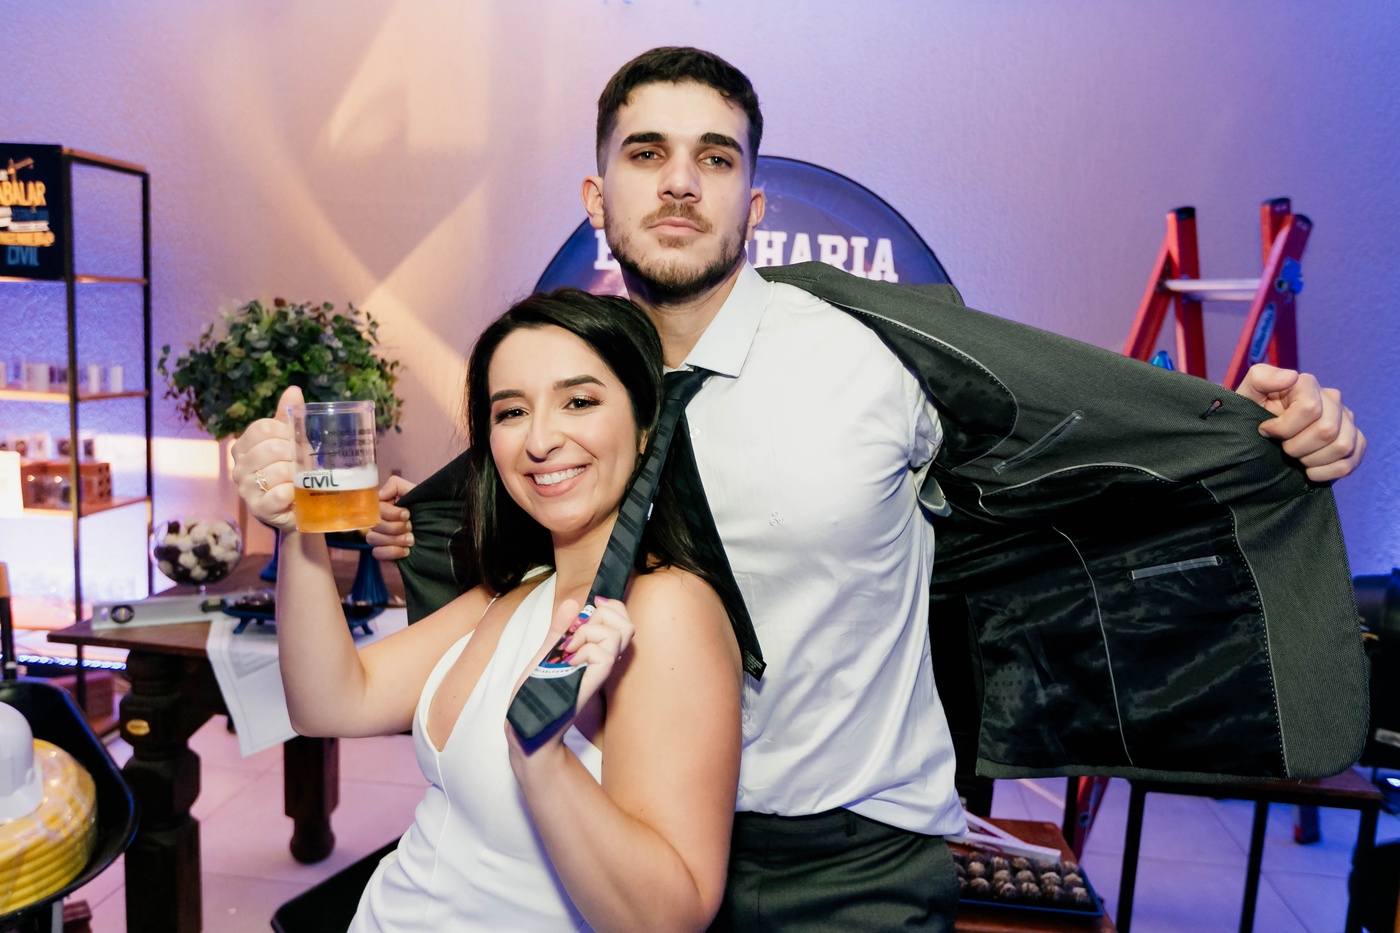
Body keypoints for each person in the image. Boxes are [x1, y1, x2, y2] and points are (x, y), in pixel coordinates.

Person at [369, 48, 1368, 931]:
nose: (679, 183)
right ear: (596, 199)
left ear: (753, 204)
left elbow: (1072, 441)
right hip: (631, 839)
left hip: (847, 867)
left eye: (714, 158)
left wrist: (1242, 430)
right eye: (646, 154)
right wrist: (405, 526)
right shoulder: (586, 395)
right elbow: (500, 524)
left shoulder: (873, 354)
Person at [231, 289, 743, 932]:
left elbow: (669, 918)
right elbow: (328, 703)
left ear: (645, 428)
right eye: (512, 412)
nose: (541, 440)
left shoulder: (662, 610)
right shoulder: (520, 591)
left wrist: (541, 759)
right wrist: (296, 528)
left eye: (579, 402)